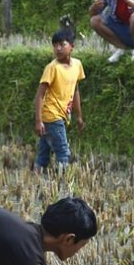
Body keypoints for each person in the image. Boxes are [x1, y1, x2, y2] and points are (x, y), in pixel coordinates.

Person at [33, 23, 84, 171]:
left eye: (62, 44)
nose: (58, 49)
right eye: (55, 45)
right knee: (63, 151)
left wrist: (79, 116)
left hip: (62, 115)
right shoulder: (52, 68)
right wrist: (38, 121)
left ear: (72, 46)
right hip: (51, 115)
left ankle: (37, 175)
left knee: (44, 152)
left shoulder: (77, 65)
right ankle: (64, 183)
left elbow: (75, 91)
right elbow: (39, 95)